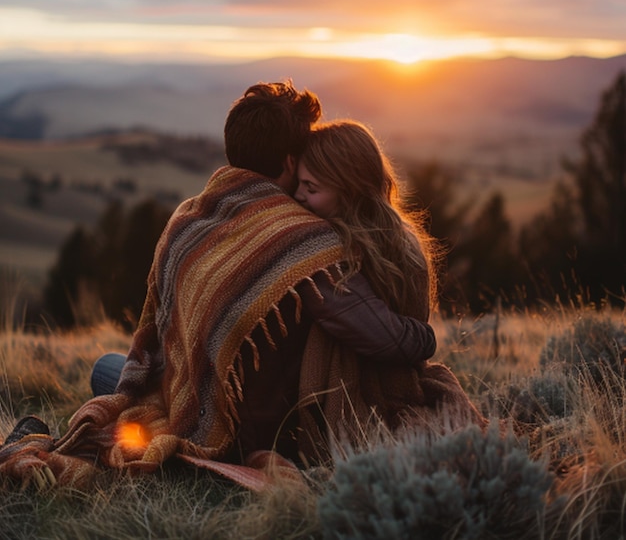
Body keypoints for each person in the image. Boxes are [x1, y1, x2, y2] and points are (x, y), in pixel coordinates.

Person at [0, 81, 437, 489]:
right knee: (111, 377)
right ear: (289, 162)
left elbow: (158, 338)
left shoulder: (189, 219)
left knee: (111, 374)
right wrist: (426, 338)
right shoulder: (301, 238)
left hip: (199, 402)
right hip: (241, 421)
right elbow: (384, 335)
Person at [292, 119, 486, 449]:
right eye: (299, 184)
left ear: (349, 190)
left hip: (370, 388)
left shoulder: (343, 251)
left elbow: (382, 334)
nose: (298, 196)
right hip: (399, 369)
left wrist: (424, 339)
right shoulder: (397, 235)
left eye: (311, 189)